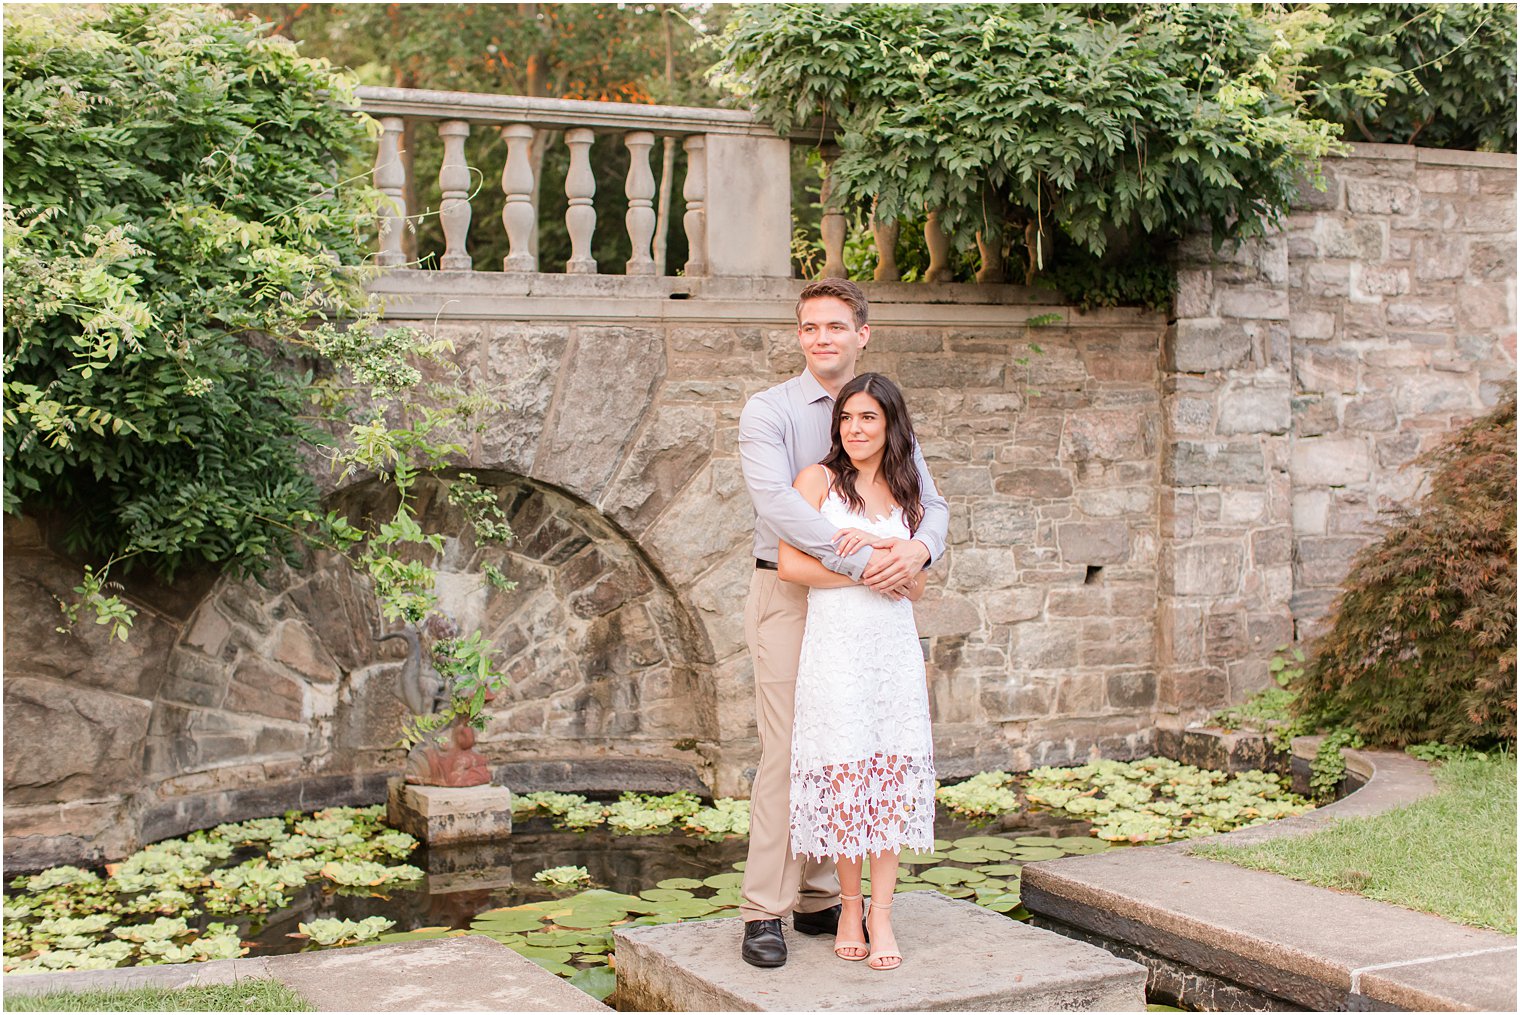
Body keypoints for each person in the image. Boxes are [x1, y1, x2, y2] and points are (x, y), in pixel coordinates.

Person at [736, 279, 948, 969]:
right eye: (809, 327)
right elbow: (775, 502)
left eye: (835, 326)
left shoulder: (882, 411)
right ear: (799, 336)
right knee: (790, 746)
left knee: (856, 743)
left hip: (872, 604)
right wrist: (863, 564)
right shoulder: (768, 410)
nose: (821, 337)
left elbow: (930, 504)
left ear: (863, 332)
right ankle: (764, 909)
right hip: (792, 588)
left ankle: (825, 897)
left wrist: (916, 549)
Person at [780, 372, 934, 971]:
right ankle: (848, 907)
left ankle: (883, 914)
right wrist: (867, 565)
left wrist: (887, 555)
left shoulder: (907, 487)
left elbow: (916, 586)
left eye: (868, 418)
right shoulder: (816, 482)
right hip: (837, 646)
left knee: (889, 777)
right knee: (847, 775)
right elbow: (791, 565)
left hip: (891, 649)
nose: (855, 429)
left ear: (890, 423)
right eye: (847, 418)